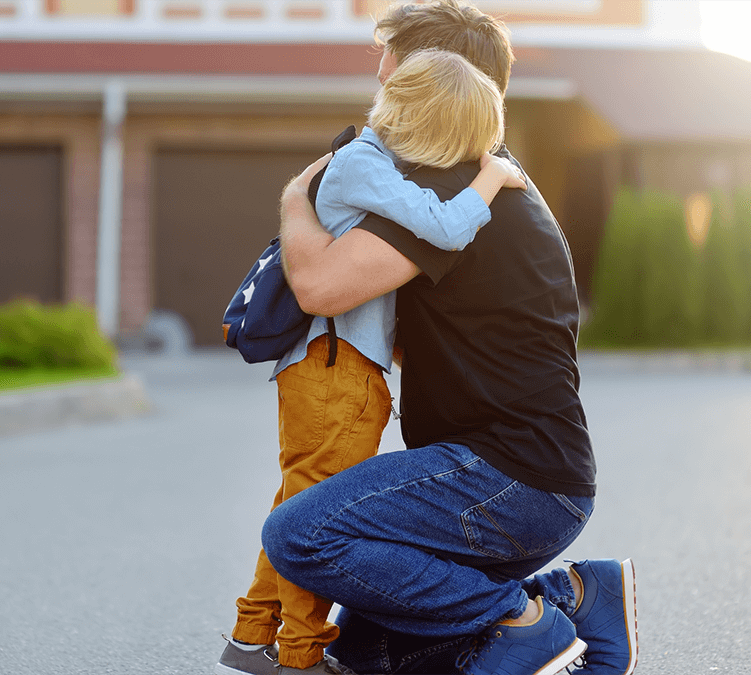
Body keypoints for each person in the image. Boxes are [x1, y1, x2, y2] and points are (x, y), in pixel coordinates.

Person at [261, 2, 640, 674]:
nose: (380, 87)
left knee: (301, 535)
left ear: (437, 78)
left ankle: (527, 617)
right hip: (531, 481)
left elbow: (318, 285)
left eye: (392, 72)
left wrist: (295, 196)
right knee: (370, 649)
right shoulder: (486, 175)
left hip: (506, 481)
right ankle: (587, 596)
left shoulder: (448, 189)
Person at [217, 47, 530, 675]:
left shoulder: (365, 163)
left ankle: (253, 633)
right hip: (335, 367)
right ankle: (299, 657)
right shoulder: (365, 164)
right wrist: (491, 178)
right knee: (316, 515)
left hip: (334, 365)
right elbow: (443, 226)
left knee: (298, 498)